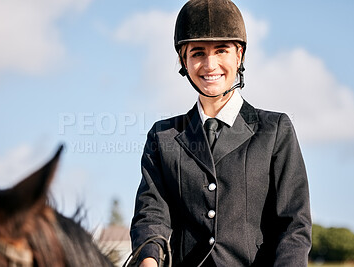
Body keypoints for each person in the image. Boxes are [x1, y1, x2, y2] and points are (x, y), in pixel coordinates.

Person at [129, 0, 312, 266]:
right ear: (184, 60)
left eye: (222, 50)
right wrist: (148, 259)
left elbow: (294, 224)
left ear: (239, 55)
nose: (210, 64)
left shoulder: (275, 130)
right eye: (198, 53)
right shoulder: (163, 136)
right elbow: (151, 214)